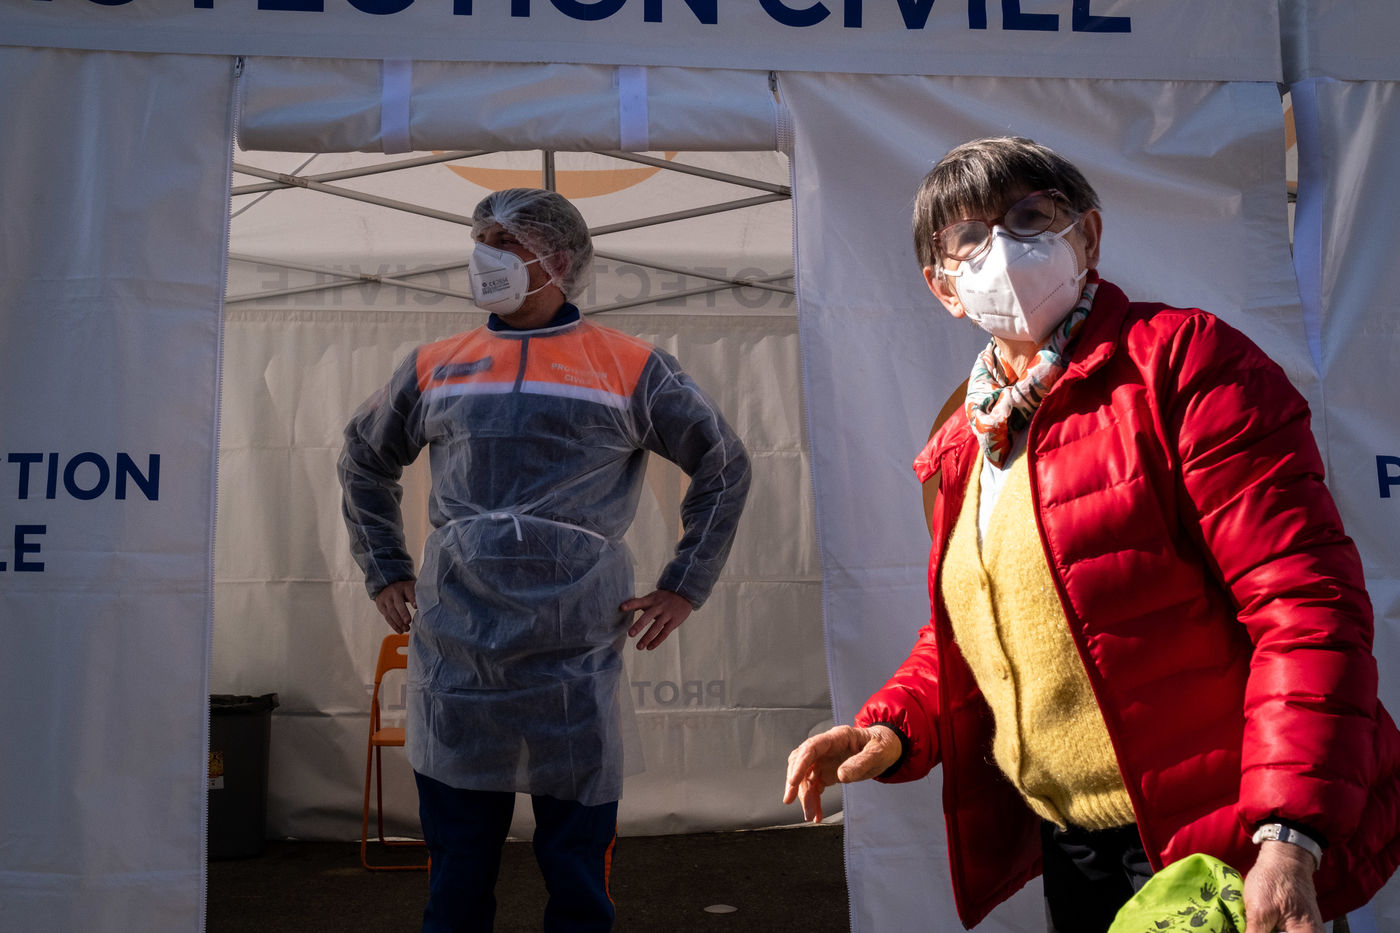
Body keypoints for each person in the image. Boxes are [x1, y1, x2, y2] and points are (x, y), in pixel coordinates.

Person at [783, 137, 1400, 932]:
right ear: (943, 287)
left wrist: (1287, 834)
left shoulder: (1184, 363)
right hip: (1073, 844)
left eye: (1030, 216)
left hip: (1219, 837)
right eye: (967, 236)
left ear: (1089, 235)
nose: (1003, 249)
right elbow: (975, 635)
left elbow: (1304, 606)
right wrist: (892, 725)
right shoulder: (968, 437)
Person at [340, 187, 751, 933]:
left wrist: (684, 585)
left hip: (572, 655)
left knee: (577, 870)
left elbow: (723, 465)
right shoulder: (437, 366)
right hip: (459, 653)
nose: (485, 255)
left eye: (506, 242)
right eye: (481, 239)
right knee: (458, 869)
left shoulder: (631, 367)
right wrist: (385, 565)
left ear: (559, 259)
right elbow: (364, 458)